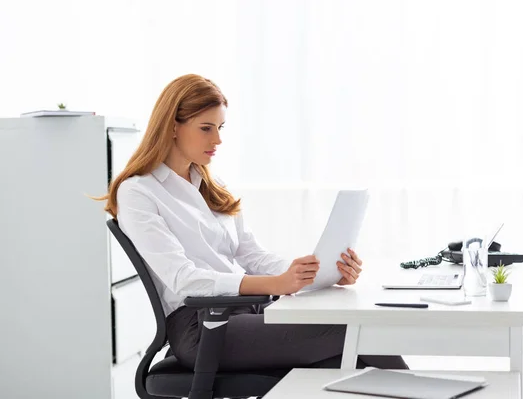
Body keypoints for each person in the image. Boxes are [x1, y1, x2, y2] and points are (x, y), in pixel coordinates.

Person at [96, 74, 408, 371]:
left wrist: (316, 275)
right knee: (357, 332)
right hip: (203, 327)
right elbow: (183, 278)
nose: (217, 139)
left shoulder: (210, 184)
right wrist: (275, 284)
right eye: (206, 128)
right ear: (172, 127)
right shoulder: (138, 192)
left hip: (249, 311)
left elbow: (252, 255)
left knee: (355, 349)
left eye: (220, 127)